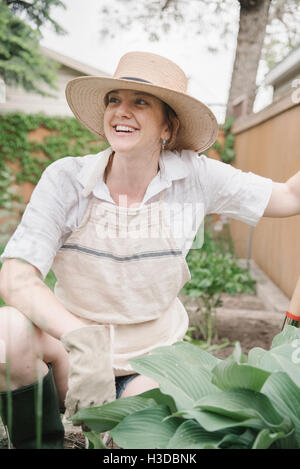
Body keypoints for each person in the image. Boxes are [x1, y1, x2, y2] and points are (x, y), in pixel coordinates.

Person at [0, 51, 299, 449]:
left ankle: (109, 437)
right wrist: (81, 337)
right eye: (114, 100)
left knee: (141, 440)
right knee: (7, 331)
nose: (121, 111)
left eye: (140, 102)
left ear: (167, 126)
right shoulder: (67, 179)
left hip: (149, 362)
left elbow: (289, 196)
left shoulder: (195, 176)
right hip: (72, 355)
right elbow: (17, 275)